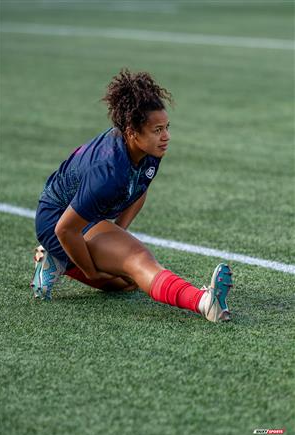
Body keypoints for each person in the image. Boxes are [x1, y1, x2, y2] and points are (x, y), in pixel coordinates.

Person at [31, 68, 233, 322]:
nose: (166, 136)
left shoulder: (148, 151)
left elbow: (140, 186)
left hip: (84, 217)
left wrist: (120, 231)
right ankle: (205, 302)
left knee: (126, 283)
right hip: (58, 221)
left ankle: (56, 260)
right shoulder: (108, 173)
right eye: (157, 130)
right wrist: (91, 272)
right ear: (131, 132)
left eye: (166, 127)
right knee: (137, 260)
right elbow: (65, 229)